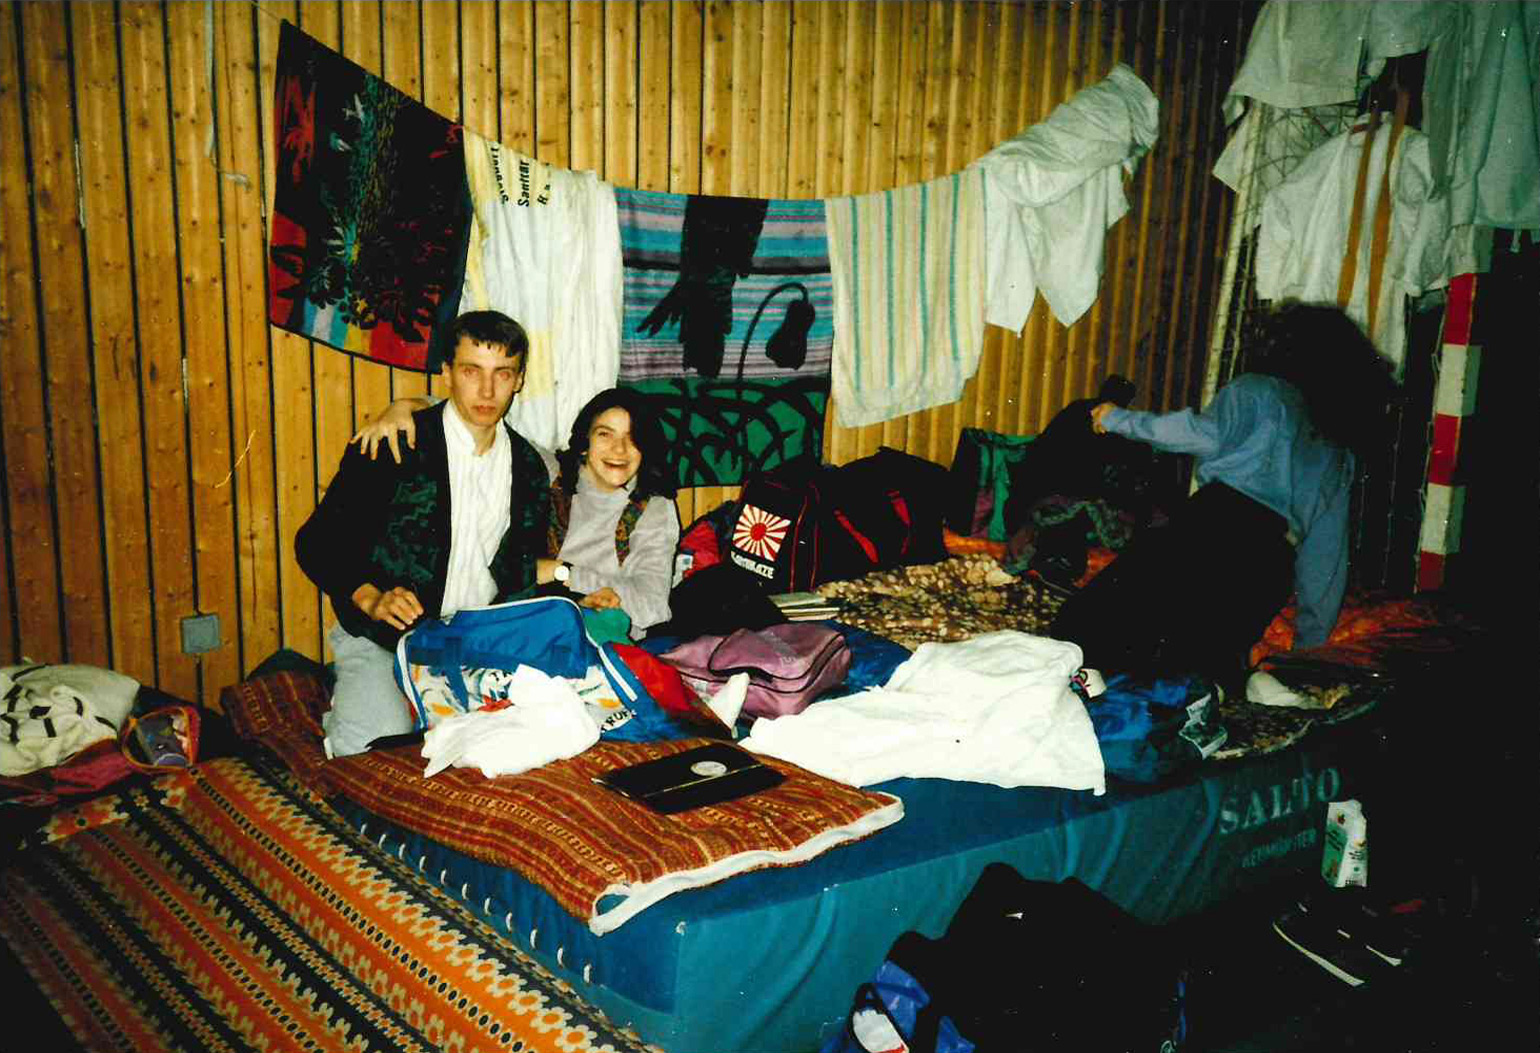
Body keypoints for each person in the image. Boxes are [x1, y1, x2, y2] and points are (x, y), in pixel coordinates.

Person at [1048, 302, 1395, 691]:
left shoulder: (1259, 389)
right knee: (1198, 663)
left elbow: (1202, 435)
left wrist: (1117, 419)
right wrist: (1305, 653)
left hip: (1212, 527)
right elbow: (1325, 560)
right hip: (1268, 564)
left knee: (1082, 631)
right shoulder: (1339, 454)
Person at [295, 310, 552, 757]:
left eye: (502, 373)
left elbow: (517, 571)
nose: (487, 390)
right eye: (471, 371)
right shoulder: (397, 443)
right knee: (372, 752)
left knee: (529, 735)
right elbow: (316, 542)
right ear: (446, 373)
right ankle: (348, 709)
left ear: (519, 380)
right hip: (383, 637)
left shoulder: (529, 467)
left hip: (472, 641)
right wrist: (371, 598)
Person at [353, 387, 680, 638]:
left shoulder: (652, 508)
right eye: (605, 434)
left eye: (632, 438)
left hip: (600, 640)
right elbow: (474, 419)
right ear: (585, 442)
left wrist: (563, 573)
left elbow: (652, 606)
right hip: (518, 625)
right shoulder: (548, 471)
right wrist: (406, 406)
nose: (619, 450)